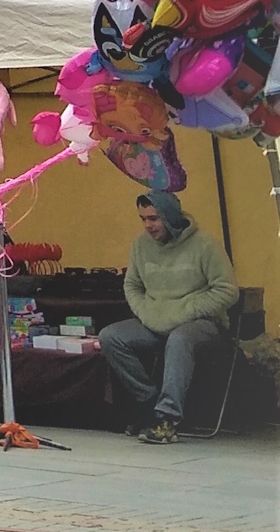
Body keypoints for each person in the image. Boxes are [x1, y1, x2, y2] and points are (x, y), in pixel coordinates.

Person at [98, 191, 239, 446]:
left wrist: (184, 312)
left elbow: (227, 291)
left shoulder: (205, 245)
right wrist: (147, 313)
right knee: (111, 337)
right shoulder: (140, 246)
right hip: (155, 322)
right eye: (143, 219)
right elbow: (132, 286)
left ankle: (167, 419)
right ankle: (150, 401)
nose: (148, 226)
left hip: (202, 326)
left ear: (171, 216)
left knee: (180, 338)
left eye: (154, 218)